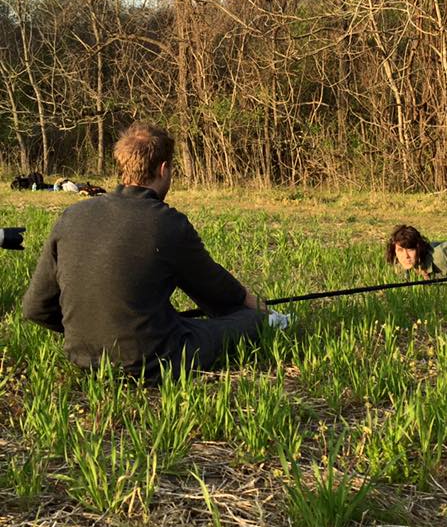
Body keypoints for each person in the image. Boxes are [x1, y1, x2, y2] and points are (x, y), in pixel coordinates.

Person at [22, 122, 288, 379]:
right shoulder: (167, 223)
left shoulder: (71, 215)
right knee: (250, 321)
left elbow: (35, 308)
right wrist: (260, 311)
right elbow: (220, 293)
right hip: (152, 361)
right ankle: (278, 322)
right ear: (163, 169)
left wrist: (88, 331)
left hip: (82, 358)